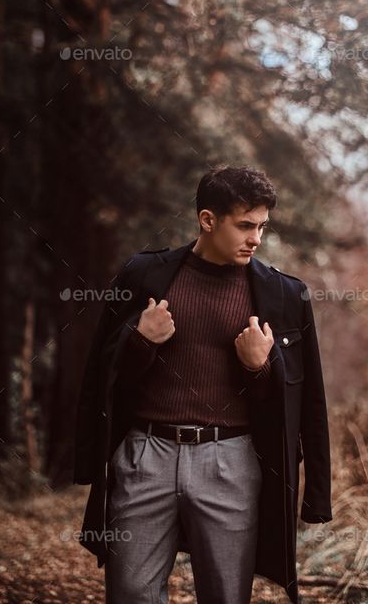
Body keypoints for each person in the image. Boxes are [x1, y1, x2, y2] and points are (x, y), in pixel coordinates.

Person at [74, 165, 332, 604]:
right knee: (130, 592)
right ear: (208, 220)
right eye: (245, 226)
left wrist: (261, 367)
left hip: (231, 461)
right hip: (145, 456)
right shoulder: (143, 275)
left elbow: (306, 401)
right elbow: (101, 374)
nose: (256, 239)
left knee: (227, 596)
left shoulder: (286, 295)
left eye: (262, 227)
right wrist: (140, 341)